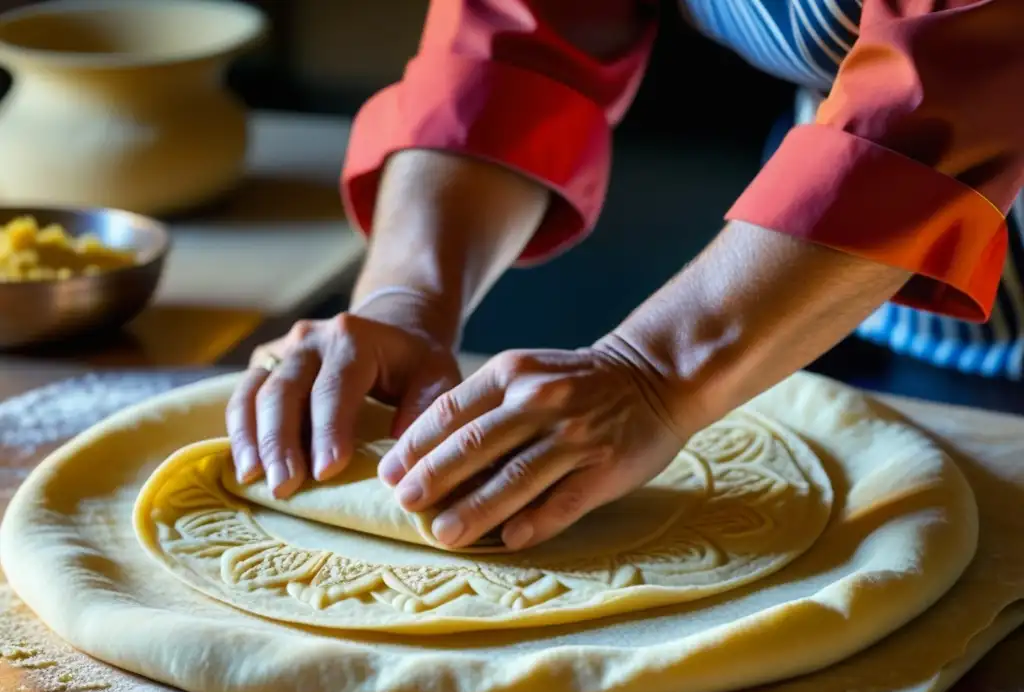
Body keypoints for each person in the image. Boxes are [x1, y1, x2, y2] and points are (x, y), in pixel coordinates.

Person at [226, 0, 1024, 552]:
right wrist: (406, 296)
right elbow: (520, 32)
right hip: (845, 275)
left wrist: (651, 375)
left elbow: (956, 82)